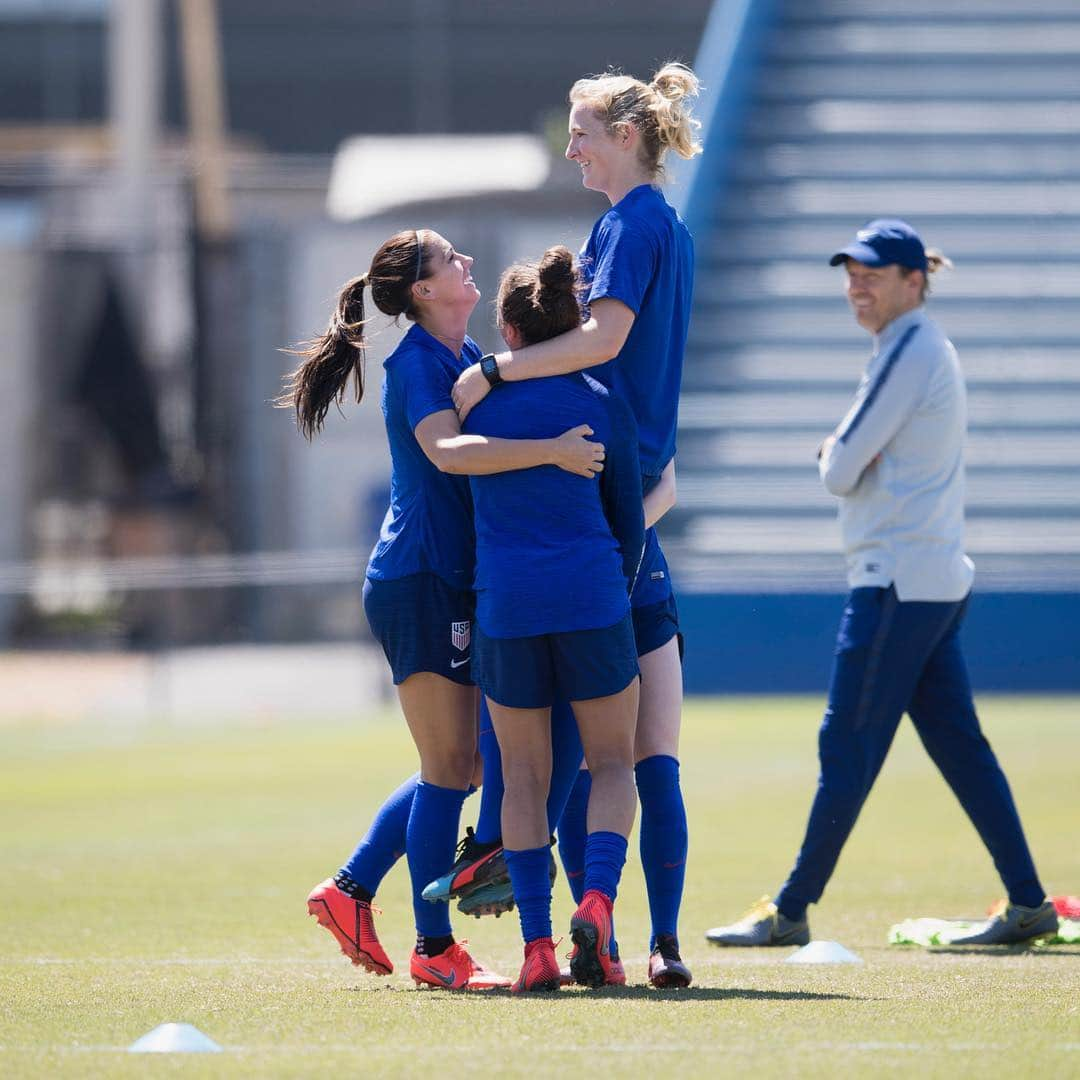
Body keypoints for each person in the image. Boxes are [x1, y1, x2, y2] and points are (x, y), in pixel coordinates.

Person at [705, 219, 1058, 948]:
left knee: (847, 744)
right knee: (960, 748)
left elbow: (838, 468)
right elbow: (852, 458)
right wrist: (845, 453)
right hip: (922, 578)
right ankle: (1028, 903)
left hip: (896, 581)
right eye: (850, 271)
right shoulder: (910, 347)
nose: (855, 283)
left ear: (913, 282)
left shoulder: (914, 346)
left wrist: (836, 453)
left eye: (872, 271)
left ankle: (791, 910)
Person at [285, 228, 604, 989]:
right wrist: (554, 451)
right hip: (420, 578)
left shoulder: (465, 359)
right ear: (425, 290)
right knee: (448, 768)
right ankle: (431, 947)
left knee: (465, 764)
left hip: (457, 580)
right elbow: (449, 454)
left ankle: (357, 888)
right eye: (451, 259)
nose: (467, 264)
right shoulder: (419, 363)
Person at [451, 61, 701, 988]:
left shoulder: (631, 225)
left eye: (583, 131)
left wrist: (497, 374)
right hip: (632, 483)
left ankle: (544, 928)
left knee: (563, 756)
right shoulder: (649, 223)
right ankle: (659, 941)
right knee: (640, 750)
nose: (571, 148)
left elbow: (603, 341)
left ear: (626, 136)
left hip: (599, 485)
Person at [463, 246, 645, 992]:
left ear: (508, 329)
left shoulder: (475, 400)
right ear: (574, 324)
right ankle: (596, 903)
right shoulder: (600, 396)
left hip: (507, 605)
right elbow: (628, 519)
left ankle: (537, 948)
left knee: (526, 779)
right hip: (590, 597)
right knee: (610, 762)